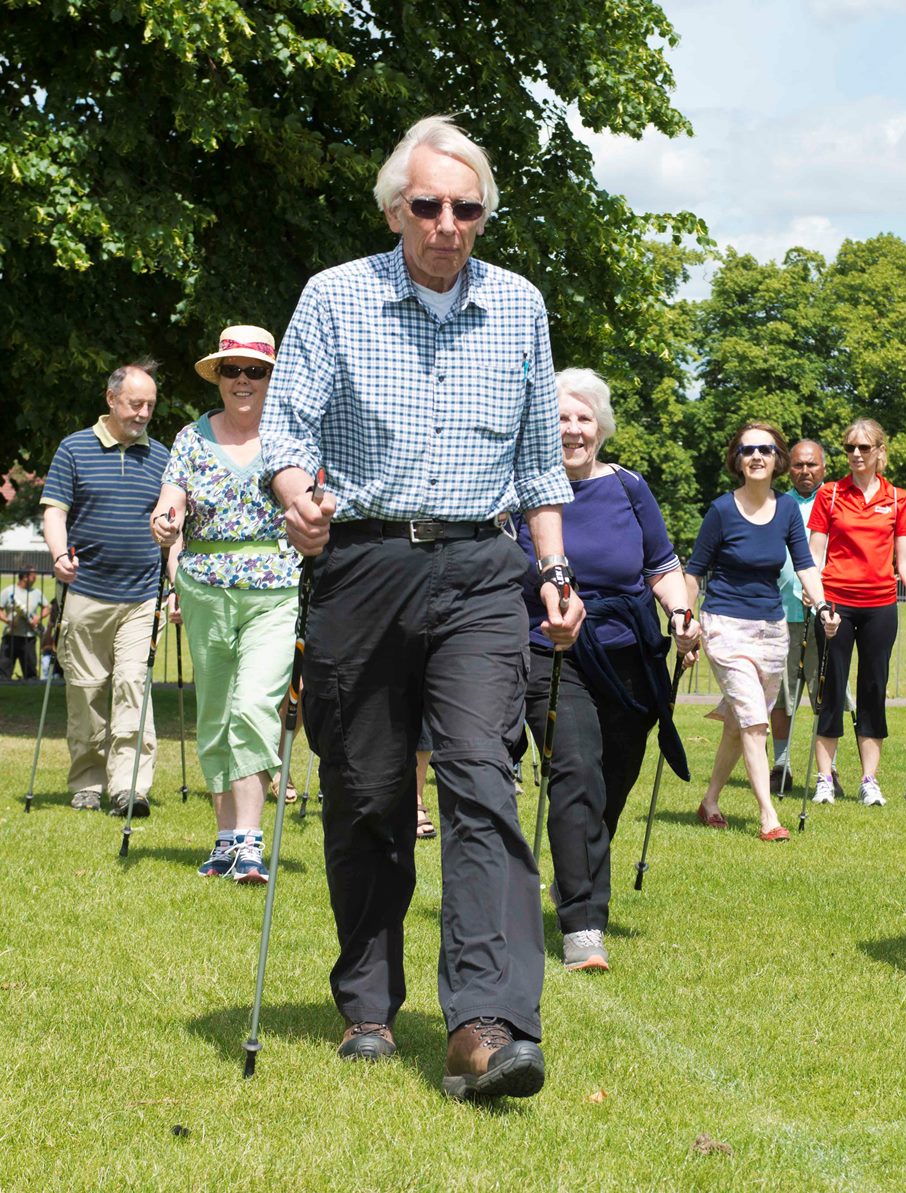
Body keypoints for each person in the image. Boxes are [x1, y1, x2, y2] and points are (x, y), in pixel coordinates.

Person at [259, 114, 582, 1099]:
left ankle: (486, 1025)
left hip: (481, 568)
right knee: (367, 792)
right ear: (397, 208)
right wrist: (296, 498)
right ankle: (368, 1001)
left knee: (482, 777)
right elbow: (286, 431)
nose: (448, 224)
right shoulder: (335, 296)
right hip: (362, 563)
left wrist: (555, 571)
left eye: (467, 208)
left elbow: (538, 464)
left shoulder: (519, 305)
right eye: (430, 205)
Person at [516, 368, 702, 971]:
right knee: (575, 771)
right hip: (551, 648)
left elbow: (662, 564)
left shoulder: (628, 487)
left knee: (611, 781)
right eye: (561, 418)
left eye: (584, 418)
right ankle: (583, 924)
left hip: (629, 654)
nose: (573, 430)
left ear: (601, 428)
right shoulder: (522, 490)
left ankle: (574, 872)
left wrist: (681, 613)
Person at [150, 326, 300, 884]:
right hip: (205, 589)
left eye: (255, 371)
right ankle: (224, 840)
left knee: (254, 706)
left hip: (276, 590)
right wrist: (164, 524)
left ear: (271, 378)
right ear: (218, 376)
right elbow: (170, 505)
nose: (243, 380)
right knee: (215, 714)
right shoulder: (191, 438)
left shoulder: (289, 437)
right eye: (232, 370)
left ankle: (250, 841)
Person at [687, 422, 836, 842]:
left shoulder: (786, 509)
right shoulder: (721, 510)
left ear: (777, 459)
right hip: (725, 626)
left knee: (740, 721)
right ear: (737, 460)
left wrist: (822, 604)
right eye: (747, 449)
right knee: (755, 720)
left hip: (772, 630)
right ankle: (769, 817)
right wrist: (684, 616)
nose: (756, 456)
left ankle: (710, 801)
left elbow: (805, 564)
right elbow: (694, 571)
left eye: (765, 449)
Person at [41, 360, 170, 815]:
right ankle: (88, 782)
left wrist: (176, 581)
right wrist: (59, 555)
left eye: (150, 405)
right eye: (135, 404)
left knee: (133, 685)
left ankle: (129, 787)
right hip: (86, 591)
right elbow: (54, 511)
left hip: (143, 596)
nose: (143, 413)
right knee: (86, 689)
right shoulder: (74, 449)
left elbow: (172, 526)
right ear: (111, 399)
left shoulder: (162, 457)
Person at [807, 418, 906, 807]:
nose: (856, 454)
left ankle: (869, 780)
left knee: (873, 687)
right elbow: (815, 553)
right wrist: (813, 594)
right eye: (849, 448)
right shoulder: (830, 495)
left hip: (880, 605)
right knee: (831, 687)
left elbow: (904, 556)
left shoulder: (897, 499)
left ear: (879, 451)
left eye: (863, 447)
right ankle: (825, 778)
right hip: (835, 604)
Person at [771, 438, 827, 791]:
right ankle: (782, 765)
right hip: (780, 613)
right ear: (787, 468)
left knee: (825, 695)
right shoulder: (776, 503)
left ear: (824, 467)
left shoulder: (835, 501)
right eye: (798, 465)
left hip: (824, 617)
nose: (805, 471)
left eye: (812, 464)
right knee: (781, 696)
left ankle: (827, 770)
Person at [0, 568, 49, 680]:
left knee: (31, 673)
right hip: (10, 637)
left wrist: (38, 617)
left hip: (29, 638)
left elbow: (46, 608)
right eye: (33, 576)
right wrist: (7, 621)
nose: (36, 578)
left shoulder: (37, 593)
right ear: (25, 577)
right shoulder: (8, 591)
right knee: (3, 672)